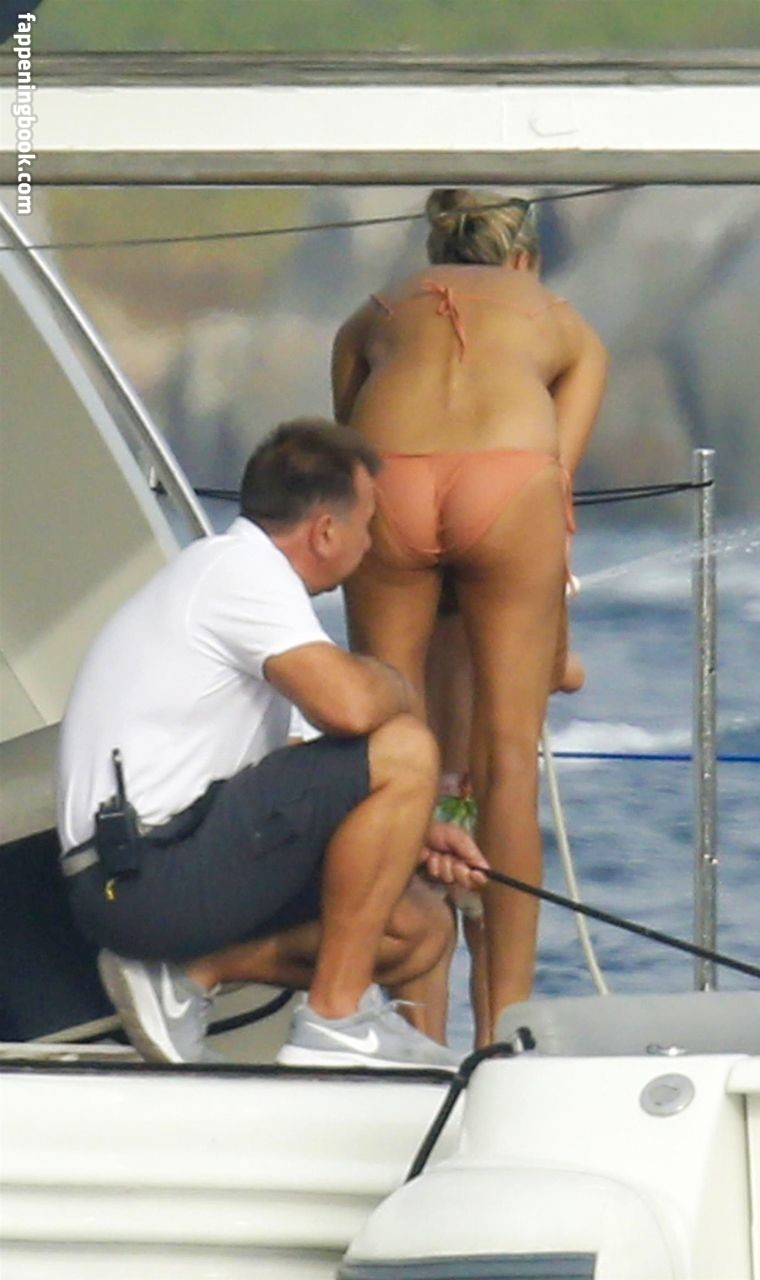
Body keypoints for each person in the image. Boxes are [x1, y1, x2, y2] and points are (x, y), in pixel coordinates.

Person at [55, 420, 488, 1068]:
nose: (370, 545)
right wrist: (398, 685)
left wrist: (412, 830)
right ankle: (335, 1023)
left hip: (155, 867)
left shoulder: (243, 583)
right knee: (406, 748)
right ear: (326, 531)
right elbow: (352, 709)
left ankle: (195, 973)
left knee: (418, 929)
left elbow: (304, 769)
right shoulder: (238, 572)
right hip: (141, 876)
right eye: (368, 525)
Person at [331, 188, 609, 1037]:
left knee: (397, 755)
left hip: (393, 482)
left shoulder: (370, 315)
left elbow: (348, 455)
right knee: (507, 766)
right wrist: (553, 651)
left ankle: (417, 1030)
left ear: (433, 247)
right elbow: (555, 489)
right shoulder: (566, 325)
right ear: (525, 256)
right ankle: (502, 1033)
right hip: (508, 483)